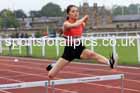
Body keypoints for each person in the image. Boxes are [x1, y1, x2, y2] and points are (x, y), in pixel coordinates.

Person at [46, 5, 117, 79]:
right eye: (73, 11)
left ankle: (110, 62)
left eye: (77, 11)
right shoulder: (66, 24)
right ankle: (55, 65)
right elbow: (74, 25)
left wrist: (85, 19)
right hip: (69, 51)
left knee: (92, 54)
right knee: (51, 75)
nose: (76, 13)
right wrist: (84, 18)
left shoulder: (81, 24)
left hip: (79, 48)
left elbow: (82, 23)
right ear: (68, 14)